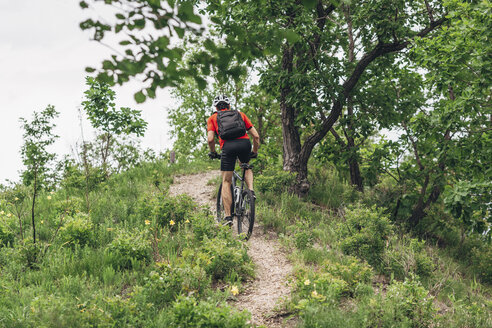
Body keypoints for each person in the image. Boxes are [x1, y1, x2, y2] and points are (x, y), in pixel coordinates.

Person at [207, 94, 260, 226]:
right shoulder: (240, 114)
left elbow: (210, 139)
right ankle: (251, 191)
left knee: (226, 181)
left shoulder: (213, 118)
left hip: (228, 146)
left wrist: (213, 152)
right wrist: (254, 151)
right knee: (245, 166)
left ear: (216, 107)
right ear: (229, 106)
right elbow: (256, 136)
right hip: (244, 144)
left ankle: (228, 217)